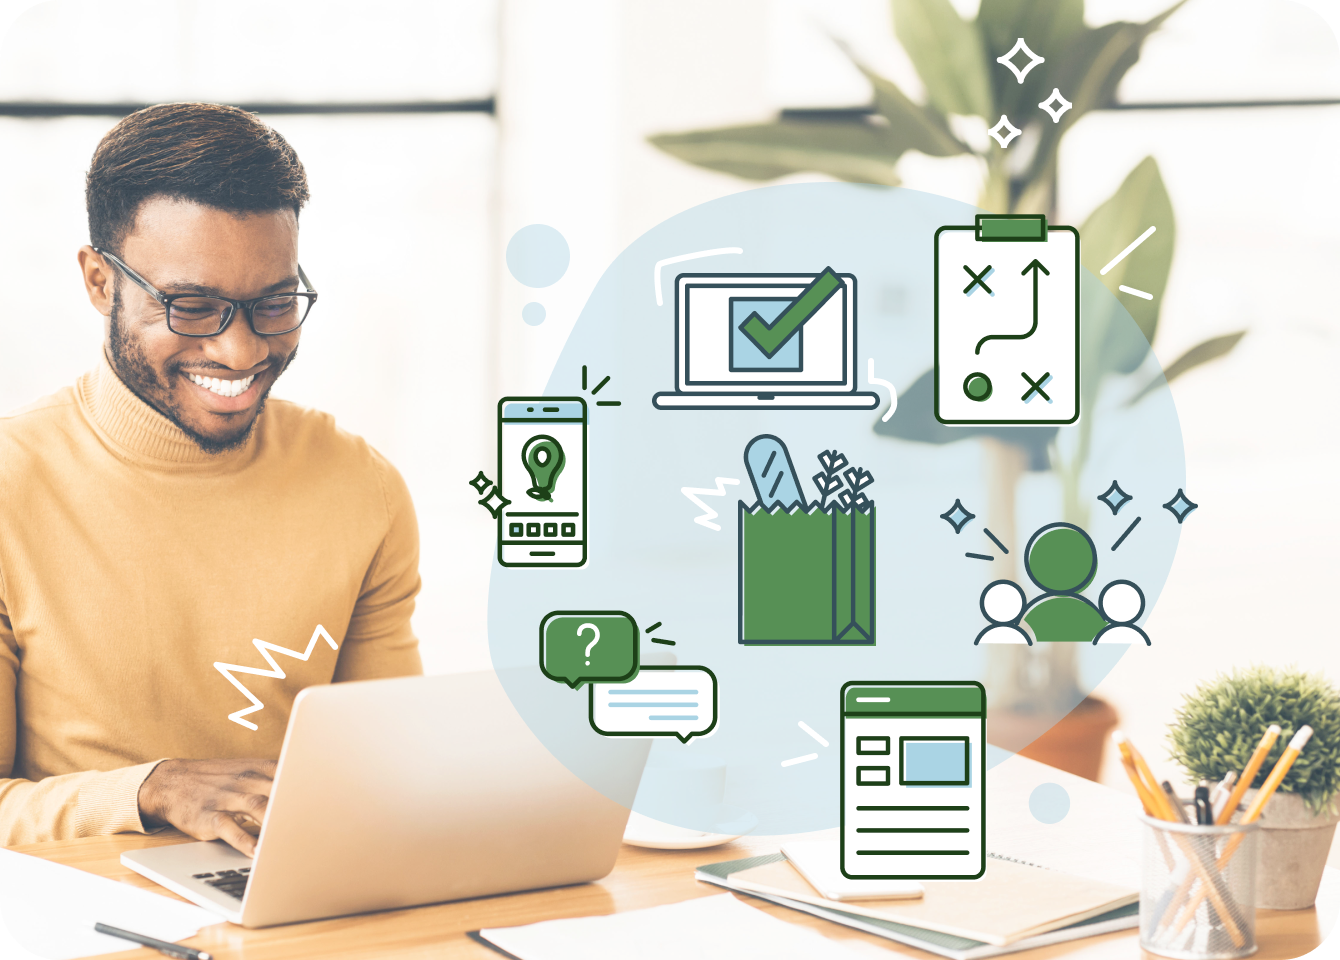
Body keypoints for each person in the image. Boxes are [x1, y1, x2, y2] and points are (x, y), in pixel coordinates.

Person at [0, 103, 423, 854]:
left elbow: (388, 771)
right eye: (192, 307)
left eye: (274, 303)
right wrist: (151, 788)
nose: (238, 351)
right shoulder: (12, 486)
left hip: (298, 898)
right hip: (78, 915)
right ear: (100, 282)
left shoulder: (363, 488)